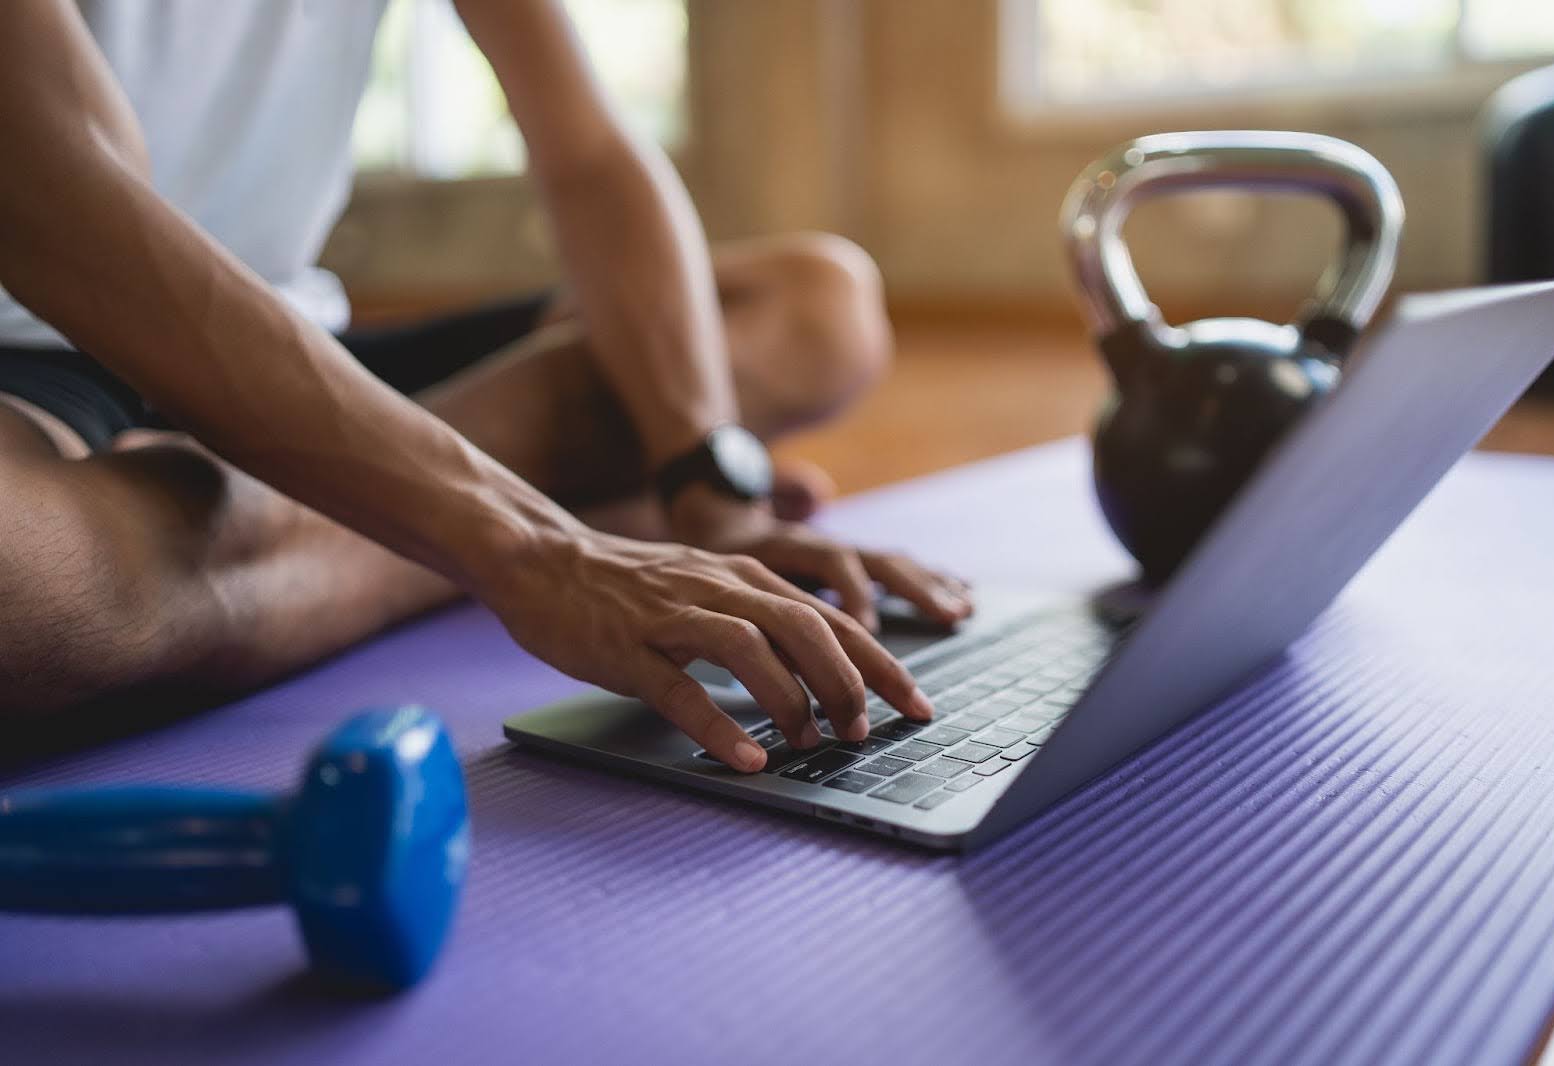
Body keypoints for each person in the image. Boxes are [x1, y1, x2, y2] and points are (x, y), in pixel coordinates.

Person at [0, 0, 974, 770]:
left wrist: (705, 485)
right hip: (42, 347)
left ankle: (258, 543)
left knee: (812, 310)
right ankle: (460, 519)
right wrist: (533, 546)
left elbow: (590, 155)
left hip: (295, 334)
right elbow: (65, 211)